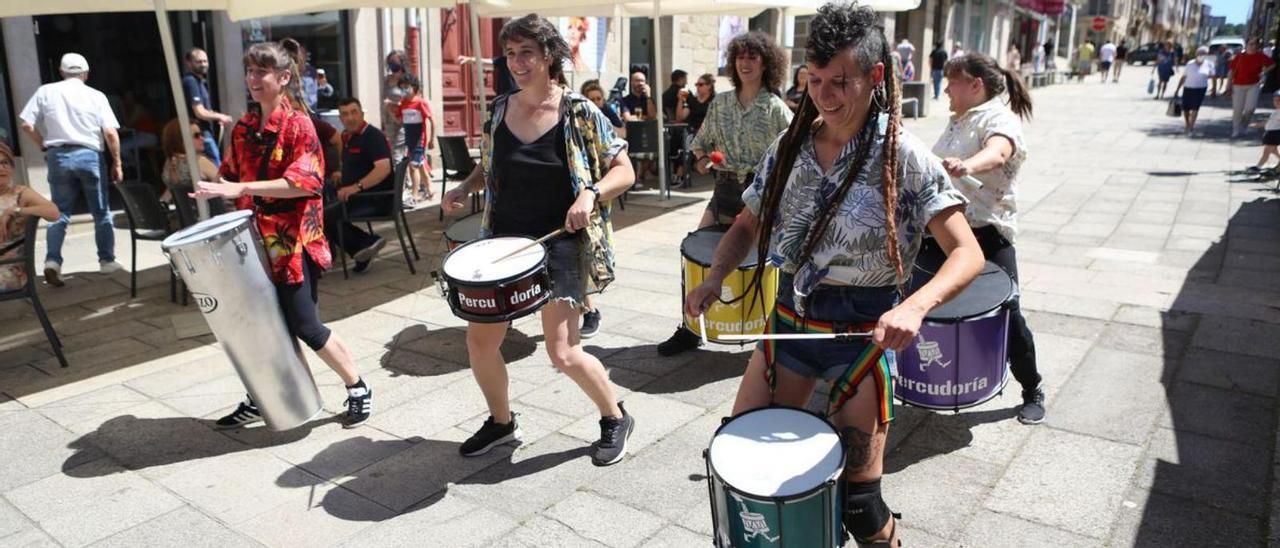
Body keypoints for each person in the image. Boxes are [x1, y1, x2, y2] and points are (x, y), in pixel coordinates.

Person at [686, 5, 982, 545]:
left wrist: (914, 306)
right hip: (790, 322)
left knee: (861, 506)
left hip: (863, 334)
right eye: (814, 80)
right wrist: (715, 277)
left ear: (874, 77)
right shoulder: (789, 147)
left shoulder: (906, 156)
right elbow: (746, 224)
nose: (824, 95)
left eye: (839, 82)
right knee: (741, 463)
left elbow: (967, 253)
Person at [440, 14, 637, 465]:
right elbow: (489, 167)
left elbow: (624, 170)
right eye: (510, 53)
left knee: (563, 351)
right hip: (503, 245)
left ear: (549, 55)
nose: (517, 62)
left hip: (561, 242)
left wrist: (590, 193)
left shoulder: (579, 112)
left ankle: (615, 415)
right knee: (480, 343)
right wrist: (464, 187)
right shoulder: (499, 109)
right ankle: (502, 423)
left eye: (526, 52)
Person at [192, 41, 372, 429]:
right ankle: (266, 396)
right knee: (262, 327)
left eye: (262, 72)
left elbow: (304, 183)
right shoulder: (243, 126)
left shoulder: (299, 126)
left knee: (305, 325)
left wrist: (240, 190)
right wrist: (209, 179)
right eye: (250, 71)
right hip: (251, 244)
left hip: (293, 243)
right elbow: (231, 175)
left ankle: (357, 386)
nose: (253, 79)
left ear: (284, 77)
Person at [657, 30, 793, 356]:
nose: (745, 63)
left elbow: (794, 153)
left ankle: (770, 333)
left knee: (766, 265)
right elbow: (700, 143)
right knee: (695, 256)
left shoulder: (776, 108)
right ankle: (690, 327)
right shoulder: (720, 104)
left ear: (766, 63)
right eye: (740, 57)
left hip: (759, 195)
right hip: (725, 189)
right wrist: (703, 160)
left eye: (753, 57)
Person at [933, 51, 1044, 424]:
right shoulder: (959, 120)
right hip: (945, 233)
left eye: (953, 81)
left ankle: (1032, 389)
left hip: (986, 237)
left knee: (1007, 315)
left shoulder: (998, 119)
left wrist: (968, 165)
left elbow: (997, 153)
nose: (946, 88)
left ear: (975, 85)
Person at [18, 52, 125, 287]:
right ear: (85, 74)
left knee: (60, 212)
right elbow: (110, 133)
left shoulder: (46, 91)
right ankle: (106, 260)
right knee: (100, 211)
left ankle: (52, 262)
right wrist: (116, 162)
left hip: (58, 155)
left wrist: (44, 145)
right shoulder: (95, 95)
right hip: (89, 155)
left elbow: (26, 124)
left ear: (61, 71)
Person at [325, 97, 392, 274]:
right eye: (345, 114)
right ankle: (362, 248)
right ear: (340, 119)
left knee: (326, 217)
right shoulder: (348, 137)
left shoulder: (373, 136)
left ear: (362, 113)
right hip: (358, 196)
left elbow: (383, 168)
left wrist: (356, 187)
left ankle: (366, 243)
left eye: (354, 112)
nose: (350, 118)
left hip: (374, 199)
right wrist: (341, 173)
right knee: (322, 208)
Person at [0, 141, 61, 292]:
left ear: (12, 167)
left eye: (5, 163)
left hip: (10, 270)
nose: (1, 168)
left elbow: (54, 213)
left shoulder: (20, 193)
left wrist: (16, 210)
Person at [181, 48, 234, 166]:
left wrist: (216, 117)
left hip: (203, 134)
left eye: (205, 61)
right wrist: (220, 116)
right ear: (189, 63)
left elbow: (205, 111)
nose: (203, 65)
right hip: (201, 135)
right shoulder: (191, 82)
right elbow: (199, 112)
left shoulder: (199, 82)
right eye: (199, 62)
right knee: (216, 169)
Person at [159, 119, 220, 205]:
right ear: (181, 139)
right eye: (196, 135)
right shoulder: (200, 161)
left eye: (201, 134)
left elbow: (170, 191)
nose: (202, 138)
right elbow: (223, 184)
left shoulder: (169, 162)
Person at [396, 75, 435, 203]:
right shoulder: (403, 103)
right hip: (409, 139)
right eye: (401, 88)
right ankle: (430, 189)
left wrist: (431, 140)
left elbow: (432, 120)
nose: (404, 90)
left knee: (413, 167)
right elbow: (399, 119)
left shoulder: (420, 103)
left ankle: (415, 194)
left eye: (406, 87)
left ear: (414, 87)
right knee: (420, 164)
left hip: (420, 139)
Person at [1227, 38, 1276, 139]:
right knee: (1237, 109)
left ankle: (1243, 126)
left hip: (1253, 84)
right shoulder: (1239, 56)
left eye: (1255, 44)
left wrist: (1263, 72)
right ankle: (1236, 129)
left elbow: (1272, 64)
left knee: (1251, 107)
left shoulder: (1260, 56)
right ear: (1246, 45)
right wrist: (1228, 85)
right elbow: (1231, 71)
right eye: (1251, 44)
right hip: (1238, 85)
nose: (1253, 46)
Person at [1174, 46, 1214, 136]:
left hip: (1200, 89)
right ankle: (1187, 124)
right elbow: (1184, 77)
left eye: (1203, 54)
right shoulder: (1190, 64)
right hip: (1188, 88)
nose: (1201, 55)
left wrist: (1214, 90)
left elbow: (1213, 76)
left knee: (1195, 108)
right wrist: (1177, 89)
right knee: (1186, 109)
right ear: (1196, 54)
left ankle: (1191, 127)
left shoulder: (1209, 64)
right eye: (1200, 53)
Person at [383, 50, 409, 165]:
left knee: (397, 153)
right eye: (390, 61)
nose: (391, 64)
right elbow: (384, 97)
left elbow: (412, 101)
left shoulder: (408, 80)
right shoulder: (387, 80)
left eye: (394, 61)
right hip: (390, 120)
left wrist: (395, 105)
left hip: (403, 121)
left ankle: (399, 181)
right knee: (395, 150)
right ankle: (406, 180)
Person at [1249, 92, 1280, 173]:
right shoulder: (1276, 111)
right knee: (1273, 150)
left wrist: (1258, 125)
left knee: (1267, 151)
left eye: (1279, 100)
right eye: (1275, 100)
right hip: (1271, 133)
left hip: (1275, 134)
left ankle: (1258, 167)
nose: (1277, 102)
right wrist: (1258, 125)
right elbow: (1269, 122)